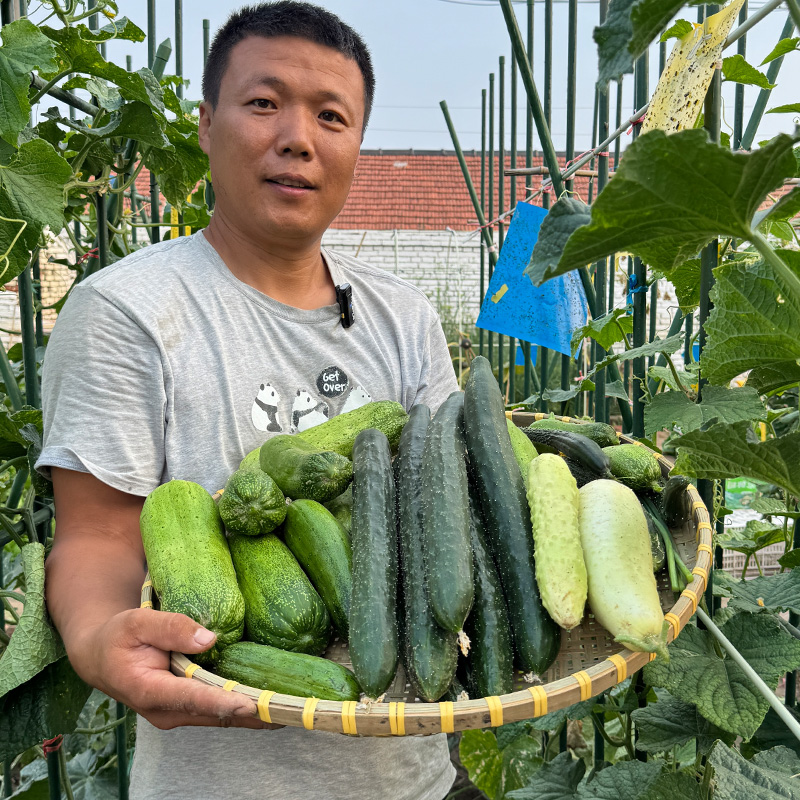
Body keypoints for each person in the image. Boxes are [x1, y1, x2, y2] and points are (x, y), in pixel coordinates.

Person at [38, 3, 459, 799]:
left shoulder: (404, 317)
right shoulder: (129, 310)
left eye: (332, 117)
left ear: (356, 148)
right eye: (264, 103)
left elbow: (443, 499)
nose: (298, 137)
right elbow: (96, 535)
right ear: (206, 124)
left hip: (418, 776)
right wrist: (99, 640)